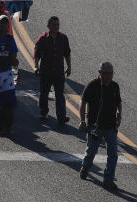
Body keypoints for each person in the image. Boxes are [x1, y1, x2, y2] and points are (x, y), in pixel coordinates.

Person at [79, 61, 122, 191]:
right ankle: (85, 167)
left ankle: (108, 180)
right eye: (106, 74)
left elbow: (119, 103)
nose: (109, 76)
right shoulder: (92, 85)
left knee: (113, 154)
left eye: (111, 73)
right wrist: (82, 121)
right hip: (95, 127)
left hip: (111, 127)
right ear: (100, 73)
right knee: (91, 152)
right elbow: (83, 102)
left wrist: (119, 116)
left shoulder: (115, 86)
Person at [33, 15, 71, 127]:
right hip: (46, 72)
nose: (56, 26)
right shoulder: (43, 39)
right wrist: (36, 67)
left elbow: (67, 54)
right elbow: (37, 55)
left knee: (60, 95)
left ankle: (61, 117)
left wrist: (69, 67)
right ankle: (43, 112)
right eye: (54, 24)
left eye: (58, 24)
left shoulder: (63, 38)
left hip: (59, 73)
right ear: (48, 26)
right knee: (44, 94)